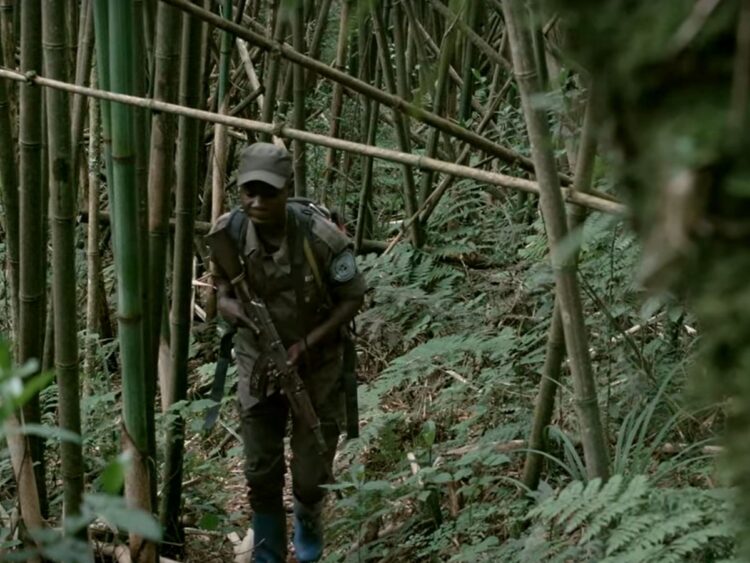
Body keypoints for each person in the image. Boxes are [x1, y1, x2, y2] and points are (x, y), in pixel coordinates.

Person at [209, 142, 366, 563]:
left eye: (269, 192)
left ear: (288, 189)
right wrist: (227, 304)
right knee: (260, 466)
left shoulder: (322, 239)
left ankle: (309, 532)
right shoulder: (230, 231)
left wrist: (306, 343)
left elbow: (353, 297)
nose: (257, 202)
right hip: (254, 356)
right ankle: (268, 550)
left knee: (312, 471)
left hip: (317, 363)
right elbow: (220, 282)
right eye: (249, 192)